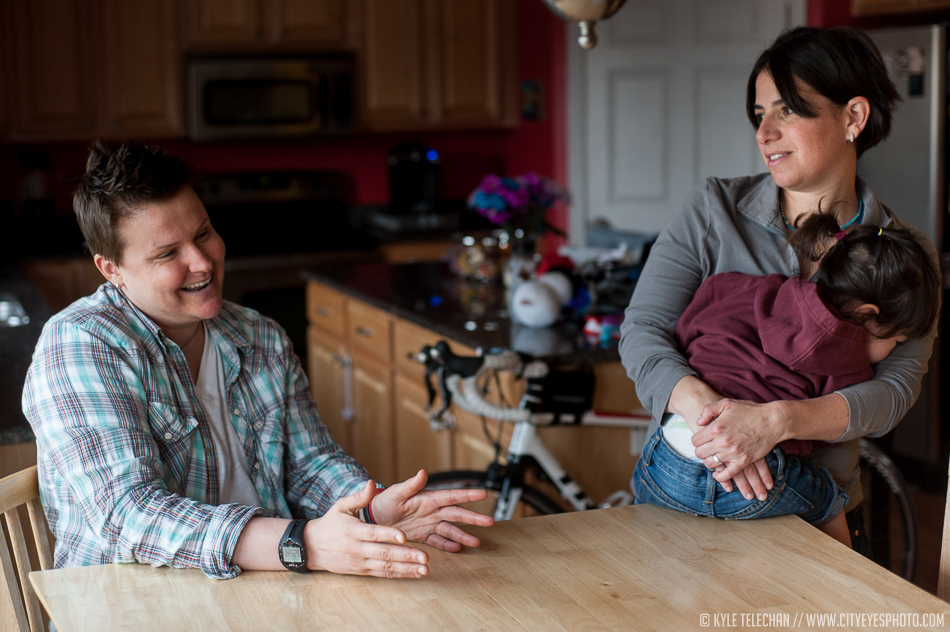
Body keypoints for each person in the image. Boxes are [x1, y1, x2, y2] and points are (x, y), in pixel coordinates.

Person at [22, 140, 493, 581]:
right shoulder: (81, 346)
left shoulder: (259, 335)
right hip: (132, 603)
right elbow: (127, 515)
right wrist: (301, 543)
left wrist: (370, 509)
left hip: (268, 585)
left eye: (203, 233)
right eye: (168, 254)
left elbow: (310, 464)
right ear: (112, 269)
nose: (202, 263)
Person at [619, 26, 940, 554]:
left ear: (853, 118)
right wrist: (722, 427)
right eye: (759, 112)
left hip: (816, 525)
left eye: (787, 110)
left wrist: (774, 422)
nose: (764, 131)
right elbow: (642, 333)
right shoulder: (712, 211)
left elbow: (894, 392)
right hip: (682, 511)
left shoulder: (909, 256)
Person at [631, 213, 940, 547]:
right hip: (752, 486)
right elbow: (828, 435)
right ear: (867, 315)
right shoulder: (851, 365)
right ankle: (845, 577)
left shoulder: (746, 287)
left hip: (666, 460)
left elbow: (691, 324)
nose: (894, 351)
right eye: (895, 341)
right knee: (828, 501)